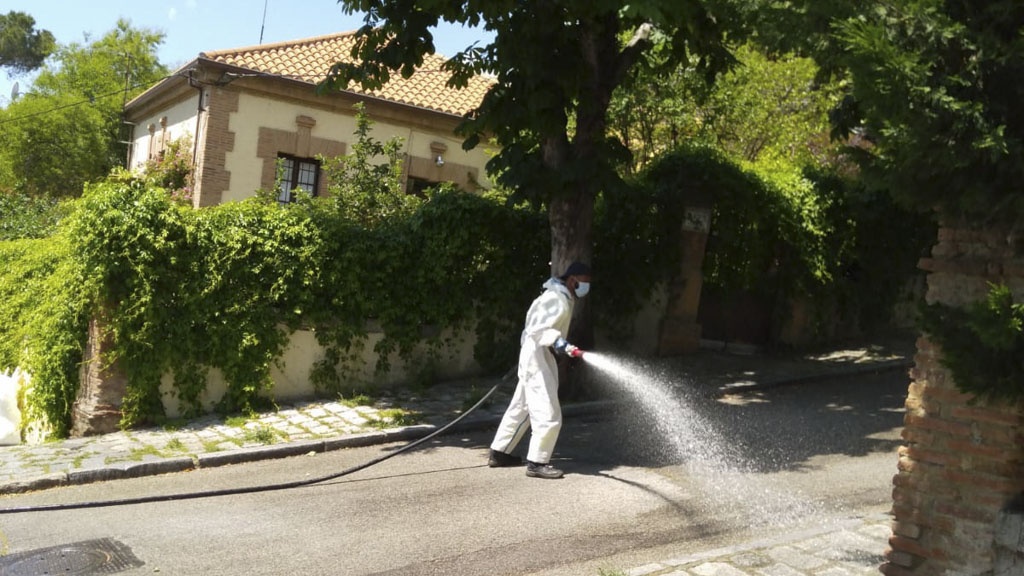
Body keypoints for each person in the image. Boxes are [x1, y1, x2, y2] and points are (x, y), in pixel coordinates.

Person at [488, 261, 592, 479]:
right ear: (573, 280)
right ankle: (537, 462)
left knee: (522, 406)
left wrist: (557, 343)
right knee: (548, 411)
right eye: (584, 281)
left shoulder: (559, 295)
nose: (586, 285)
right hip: (538, 354)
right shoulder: (556, 298)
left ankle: (500, 452)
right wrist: (559, 343)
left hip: (537, 353)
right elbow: (539, 328)